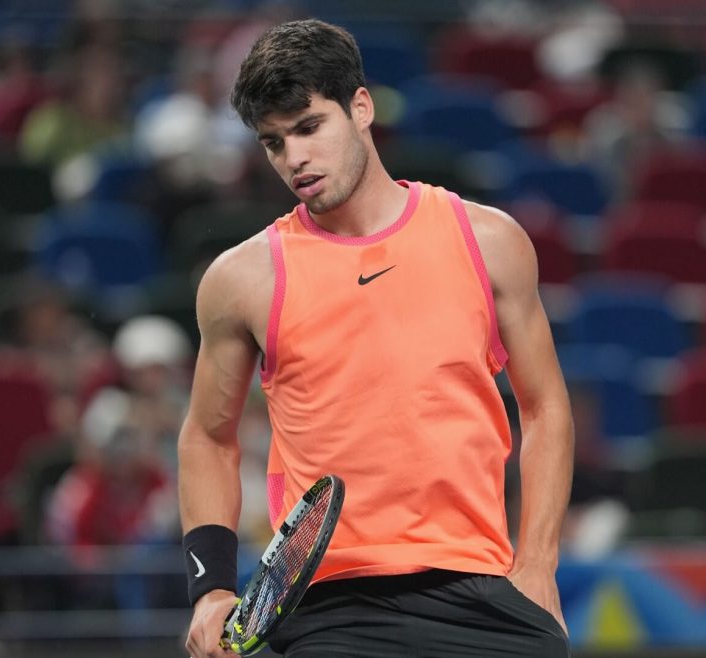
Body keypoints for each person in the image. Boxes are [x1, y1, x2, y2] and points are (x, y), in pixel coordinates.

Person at [179, 19, 573, 658]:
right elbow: (207, 435)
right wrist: (211, 590)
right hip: (334, 610)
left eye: (309, 127)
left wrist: (538, 564)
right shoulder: (243, 279)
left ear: (360, 107)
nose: (294, 159)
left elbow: (546, 407)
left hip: (482, 589)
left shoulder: (489, 242)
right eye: (274, 143)